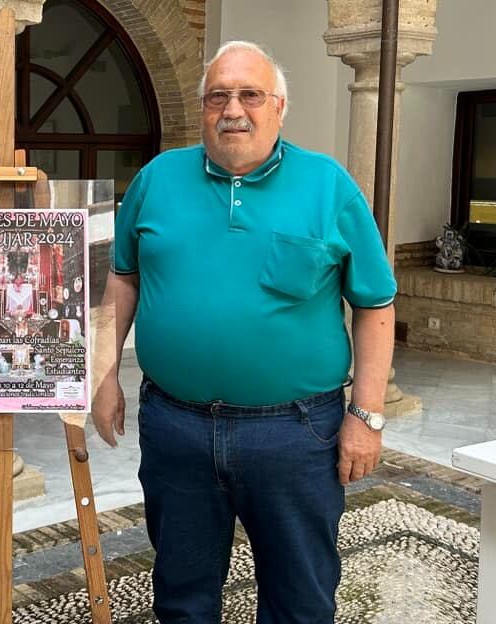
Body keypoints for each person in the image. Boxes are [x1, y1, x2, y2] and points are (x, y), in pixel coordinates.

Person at [92, 41, 396, 623]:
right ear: (202, 109)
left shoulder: (328, 186)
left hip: (295, 434)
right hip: (175, 426)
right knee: (182, 592)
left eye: (250, 94)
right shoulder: (157, 179)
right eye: (218, 97)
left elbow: (375, 304)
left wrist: (367, 414)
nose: (233, 109)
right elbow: (123, 279)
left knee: (299, 598)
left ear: (279, 106)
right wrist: (103, 375)